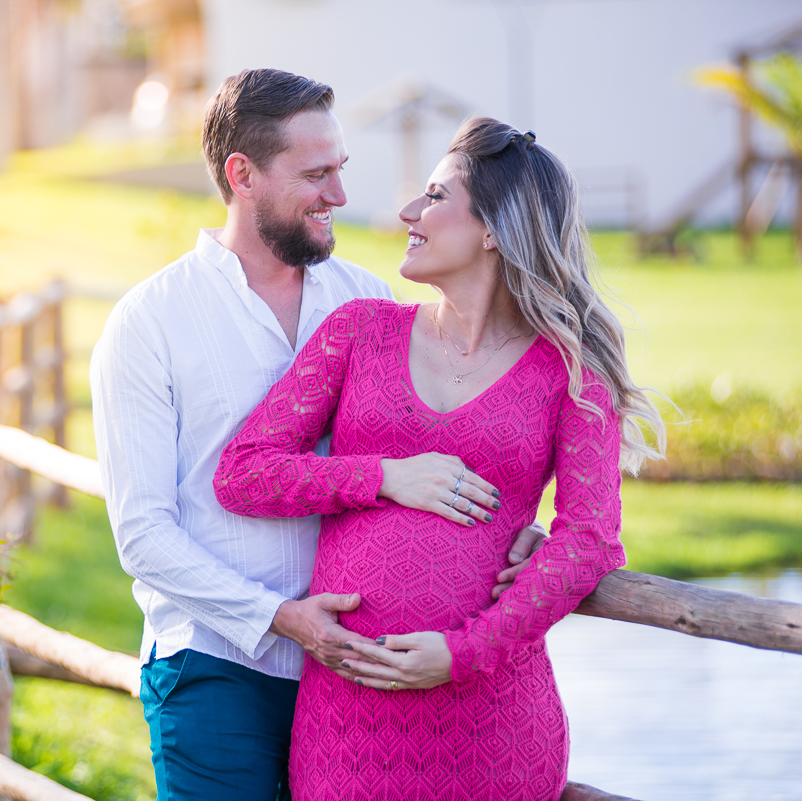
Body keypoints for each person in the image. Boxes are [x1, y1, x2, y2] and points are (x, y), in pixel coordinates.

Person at [90, 72, 545, 801]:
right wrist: (280, 618)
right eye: (315, 174)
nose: (339, 195)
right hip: (216, 667)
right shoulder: (150, 323)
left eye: (340, 170)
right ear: (242, 175)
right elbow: (142, 534)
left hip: (353, 678)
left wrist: (520, 534)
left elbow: (442, 457)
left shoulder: (368, 301)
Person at [213, 118, 666, 800]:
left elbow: (590, 540)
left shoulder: (572, 370)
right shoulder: (359, 332)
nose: (407, 213)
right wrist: (381, 476)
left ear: (492, 228)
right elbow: (245, 471)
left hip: (491, 717)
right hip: (349, 720)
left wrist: (461, 655)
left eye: (433, 195)